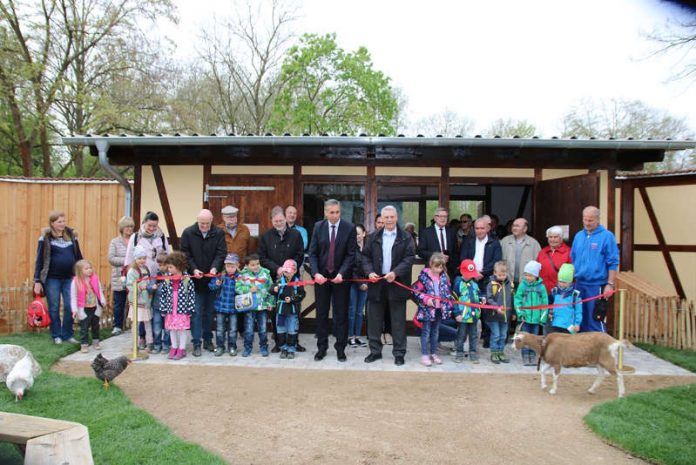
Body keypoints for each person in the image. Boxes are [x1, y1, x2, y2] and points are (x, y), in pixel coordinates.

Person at [362, 205, 415, 366]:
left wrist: (396, 272)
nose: (389, 220)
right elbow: (365, 258)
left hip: (396, 282)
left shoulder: (406, 237)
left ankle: (399, 353)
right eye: (386, 217)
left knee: (398, 321)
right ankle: (375, 351)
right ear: (382, 219)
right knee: (374, 320)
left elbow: (409, 258)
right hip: (377, 283)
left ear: (396, 218)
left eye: (392, 217)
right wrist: (369, 272)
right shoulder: (372, 237)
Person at [309, 199, 357, 362]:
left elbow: (351, 255)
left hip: (340, 279)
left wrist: (342, 274)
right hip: (321, 278)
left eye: (337, 212)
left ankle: (340, 348)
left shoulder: (349, 228)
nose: (335, 215)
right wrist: (315, 273)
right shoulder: (318, 227)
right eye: (331, 212)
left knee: (341, 315)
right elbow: (313, 253)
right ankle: (322, 348)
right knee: (321, 314)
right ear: (325, 212)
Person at [180, 209, 227, 356]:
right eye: (202, 223)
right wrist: (193, 269)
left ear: (212, 221)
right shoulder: (188, 233)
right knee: (197, 313)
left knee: (209, 312)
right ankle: (196, 343)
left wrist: (215, 268)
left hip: (212, 280)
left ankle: (208, 340)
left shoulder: (218, 233)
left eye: (207, 223)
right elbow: (185, 255)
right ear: (197, 220)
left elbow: (221, 253)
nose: (205, 226)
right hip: (196, 281)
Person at [258, 206, 305, 352]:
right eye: (275, 220)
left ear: (285, 219)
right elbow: (262, 258)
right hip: (275, 279)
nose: (278, 222)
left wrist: (290, 269)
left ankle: (294, 342)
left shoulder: (296, 235)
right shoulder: (266, 237)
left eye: (281, 220)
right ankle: (279, 343)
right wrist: (277, 269)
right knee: (276, 312)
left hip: (292, 279)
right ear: (272, 221)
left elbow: (300, 254)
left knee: (294, 311)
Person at [34, 211, 83, 344]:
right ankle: (56, 335)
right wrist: (37, 280)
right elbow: (39, 260)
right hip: (52, 279)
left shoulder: (72, 236)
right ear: (52, 223)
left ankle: (68, 334)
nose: (62, 224)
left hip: (70, 278)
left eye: (63, 221)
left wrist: (82, 274)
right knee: (54, 307)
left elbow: (79, 257)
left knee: (69, 305)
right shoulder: (45, 238)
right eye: (59, 222)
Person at [571, 206, 619, 333]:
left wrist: (610, 284)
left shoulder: (607, 236)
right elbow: (573, 258)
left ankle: (601, 347)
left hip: (597, 285)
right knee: (578, 318)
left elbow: (613, 262)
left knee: (595, 318)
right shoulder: (578, 236)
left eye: (590, 220)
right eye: (585, 220)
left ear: (598, 219)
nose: (587, 223)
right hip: (579, 283)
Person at [459, 217, 502, 348]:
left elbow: (496, 260)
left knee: (487, 309)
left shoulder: (494, 242)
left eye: (482, 228)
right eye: (477, 228)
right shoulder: (468, 241)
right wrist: (471, 273)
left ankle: (487, 339)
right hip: (470, 279)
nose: (479, 231)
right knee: (470, 307)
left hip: (487, 280)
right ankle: (470, 339)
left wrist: (482, 273)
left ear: (488, 228)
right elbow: (464, 258)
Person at [413, 253, 453, 367]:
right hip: (427, 311)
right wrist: (426, 300)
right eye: (436, 266)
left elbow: (447, 293)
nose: (438, 269)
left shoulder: (444, 277)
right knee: (426, 332)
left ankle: (434, 353)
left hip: (439, 310)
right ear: (431, 264)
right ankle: (424, 355)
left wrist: (448, 304)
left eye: (441, 267)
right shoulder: (424, 277)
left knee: (435, 332)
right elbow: (416, 291)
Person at [159, 251, 196, 360]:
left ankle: (181, 349)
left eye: (171, 267)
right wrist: (163, 308)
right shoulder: (167, 279)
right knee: (172, 329)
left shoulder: (187, 279)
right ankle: (174, 347)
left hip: (182, 310)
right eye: (168, 267)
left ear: (179, 266)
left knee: (182, 330)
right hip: (171, 311)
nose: (168, 269)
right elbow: (163, 294)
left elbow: (191, 295)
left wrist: (190, 309)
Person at [236, 253, 274, 357]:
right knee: (248, 329)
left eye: (257, 264)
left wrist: (270, 302)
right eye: (252, 265)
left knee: (263, 328)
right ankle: (247, 348)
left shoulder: (265, 273)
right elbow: (238, 288)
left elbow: (271, 289)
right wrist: (248, 289)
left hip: (262, 306)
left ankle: (263, 347)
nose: (256, 266)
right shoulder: (243, 275)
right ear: (247, 265)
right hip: (249, 306)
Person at [514, 260, 549, 366]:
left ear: (536, 275)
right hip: (525, 318)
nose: (527, 277)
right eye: (526, 275)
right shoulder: (522, 286)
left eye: (530, 275)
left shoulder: (541, 287)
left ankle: (532, 355)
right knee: (525, 337)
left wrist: (543, 317)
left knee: (534, 338)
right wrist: (520, 313)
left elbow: (545, 303)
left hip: (537, 319)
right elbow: (517, 300)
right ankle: (525, 355)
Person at [70, 259, 106, 353]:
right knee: (84, 327)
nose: (89, 270)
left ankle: (96, 342)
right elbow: (73, 297)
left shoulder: (95, 279)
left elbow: (99, 291)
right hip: (84, 308)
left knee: (95, 326)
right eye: (86, 268)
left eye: (90, 268)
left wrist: (102, 300)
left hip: (94, 307)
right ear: (79, 271)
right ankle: (84, 344)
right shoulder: (76, 281)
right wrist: (74, 310)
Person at [209, 253, 241, 356]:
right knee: (220, 329)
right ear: (224, 265)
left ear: (237, 266)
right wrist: (216, 284)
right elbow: (211, 287)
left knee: (232, 329)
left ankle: (232, 346)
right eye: (228, 266)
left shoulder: (240, 277)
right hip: (220, 307)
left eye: (232, 266)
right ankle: (220, 346)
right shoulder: (220, 276)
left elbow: (244, 290)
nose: (230, 269)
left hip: (233, 308)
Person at [107, 216, 135, 336]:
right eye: (127, 226)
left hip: (133, 276)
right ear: (122, 228)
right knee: (119, 303)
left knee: (135, 301)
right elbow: (111, 258)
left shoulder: (136, 240)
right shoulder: (115, 242)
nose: (129, 229)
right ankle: (117, 326)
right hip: (120, 277)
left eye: (131, 226)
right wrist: (128, 261)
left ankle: (135, 326)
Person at [273, 259, 306, 359]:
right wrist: (274, 289)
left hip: (292, 310)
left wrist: (292, 299)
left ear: (295, 271)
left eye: (288, 271)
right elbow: (270, 290)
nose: (286, 273)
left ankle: (291, 349)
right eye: (285, 271)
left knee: (292, 330)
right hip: (280, 310)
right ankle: (283, 348)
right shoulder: (279, 281)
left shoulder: (297, 282)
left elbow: (302, 294)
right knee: (281, 330)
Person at [452, 259, 481, 364]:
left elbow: (478, 294)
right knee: (461, 335)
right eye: (468, 274)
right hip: (463, 316)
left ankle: (473, 353)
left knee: (473, 335)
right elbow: (453, 300)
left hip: (474, 315)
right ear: (461, 272)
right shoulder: (458, 283)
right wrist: (456, 313)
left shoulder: (475, 284)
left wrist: (482, 298)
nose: (470, 276)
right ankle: (459, 353)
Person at [500, 217, 541, 288]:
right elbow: (499, 261)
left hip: (527, 283)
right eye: (513, 225)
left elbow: (538, 265)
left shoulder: (533, 243)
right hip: (507, 282)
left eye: (517, 226)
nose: (514, 228)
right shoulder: (505, 241)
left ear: (525, 229)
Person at [485, 261, 513, 364]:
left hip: (506, 316)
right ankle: (494, 352)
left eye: (504, 274)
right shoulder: (491, 285)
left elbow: (512, 299)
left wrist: (513, 313)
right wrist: (497, 307)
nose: (502, 277)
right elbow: (489, 299)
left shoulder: (510, 284)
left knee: (503, 335)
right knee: (496, 334)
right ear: (494, 273)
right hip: (494, 316)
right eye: (500, 275)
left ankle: (501, 352)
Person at [126, 246, 153, 352]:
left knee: (147, 322)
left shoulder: (146, 269)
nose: (142, 260)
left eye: (144, 258)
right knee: (135, 323)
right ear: (135, 259)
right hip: (136, 301)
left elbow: (149, 281)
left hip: (145, 300)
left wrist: (150, 287)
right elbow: (129, 285)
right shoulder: (132, 271)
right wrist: (139, 287)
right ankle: (134, 343)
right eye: (140, 258)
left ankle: (149, 342)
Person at [418, 207, 458, 278]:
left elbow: (456, 252)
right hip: (432, 270)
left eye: (445, 216)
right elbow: (421, 251)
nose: (443, 219)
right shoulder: (426, 232)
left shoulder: (452, 232)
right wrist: (437, 255)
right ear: (435, 218)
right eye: (440, 216)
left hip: (449, 272)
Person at [348, 224, 368, 347]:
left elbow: (370, 266)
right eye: (355, 234)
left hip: (366, 284)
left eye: (359, 233)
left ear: (364, 234)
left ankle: (357, 336)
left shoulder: (368, 249)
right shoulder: (351, 248)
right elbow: (351, 269)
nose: (357, 236)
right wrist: (360, 283)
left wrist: (366, 283)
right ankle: (350, 337)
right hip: (352, 284)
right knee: (352, 310)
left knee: (360, 312)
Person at [537, 225, 572, 296]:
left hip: (561, 292)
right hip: (543, 291)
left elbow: (573, 274)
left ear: (561, 238)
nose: (552, 239)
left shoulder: (568, 252)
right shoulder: (542, 252)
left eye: (555, 237)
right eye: (550, 237)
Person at [548, 263, 583, 335]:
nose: (561, 284)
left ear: (570, 281)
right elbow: (550, 304)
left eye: (564, 282)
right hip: (556, 324)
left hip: (569, 326)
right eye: (560, 281)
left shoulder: (575, 294)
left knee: (569, 344)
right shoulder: (554, 291)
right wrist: (549, 312)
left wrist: (577, 323)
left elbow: (579, 311)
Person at [146, 252, 169, 354]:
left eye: (164, 265)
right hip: (157, 306)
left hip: (168, 306)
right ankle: (157, 345)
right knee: (157, 327)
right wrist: (152, 288)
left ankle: (166, 346)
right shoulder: (156, 275)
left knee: (168, 328)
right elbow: (149, 287)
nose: (162, 267)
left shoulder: (172, 275)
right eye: (160, 265)